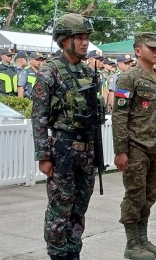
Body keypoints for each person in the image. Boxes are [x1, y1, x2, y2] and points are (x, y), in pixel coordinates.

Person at [31, 13, 102, 260]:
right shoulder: (50, 72)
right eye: (79, 38)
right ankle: (58, 254)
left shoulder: (88, 71)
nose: (85, 43)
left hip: (88, 150)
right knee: (60, 208)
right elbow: (38, 117)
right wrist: (43, 156)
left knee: (79, 208)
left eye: (86, 38)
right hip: (63, 149)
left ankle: (73, 250)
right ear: (64, 41)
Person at [112, 32, 156, 260]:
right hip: (136, 147)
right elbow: (119, 115)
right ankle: (131, 243)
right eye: (151, 48)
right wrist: (121, 150)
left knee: (149, 196)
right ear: (138, 51)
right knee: (135, 196)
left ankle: (143, 239)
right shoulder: (129, 78)